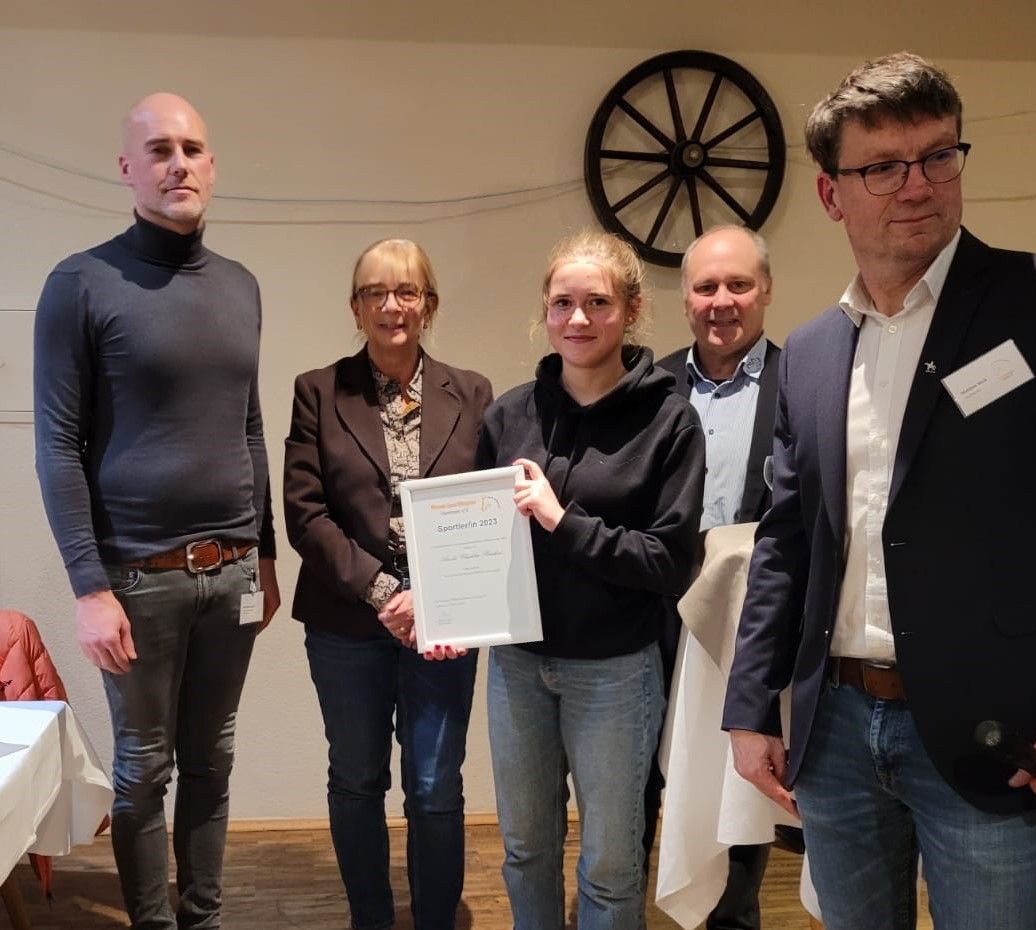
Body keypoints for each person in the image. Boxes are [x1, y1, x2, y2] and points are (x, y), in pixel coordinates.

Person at [723, 52, 1036, 930]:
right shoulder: (811, 352)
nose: (917, 184)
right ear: (830, 195)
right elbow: (785, 541)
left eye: (937, 155)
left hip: (994, 731)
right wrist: (749, 707)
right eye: (882, 167)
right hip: (834, 730)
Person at [33, 92, 281, 930]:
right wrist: (87, 587)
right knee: (145, 768)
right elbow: (57, 446)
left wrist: (266, 553)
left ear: (212, 165)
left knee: (213, 759)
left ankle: (202, 916)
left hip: (233, 572)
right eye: (160, 149)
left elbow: (249, 427)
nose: (180, 164)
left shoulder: (241, 286)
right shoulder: (80, 283)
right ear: (127, 168)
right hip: (137, 579)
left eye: (193, 149)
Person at [478, 230, 705, 930]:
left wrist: (562, 521)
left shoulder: (669, 420)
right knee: (525, 852)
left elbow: (669, 562)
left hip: (614, 672)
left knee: (608, 867)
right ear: (544, 312)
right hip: (517, 666)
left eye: (597, 303)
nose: (578, 319)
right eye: (562, 303)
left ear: (631, 310)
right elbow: (478, 541)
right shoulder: (509, 414)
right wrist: (450, 609)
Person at [283, 238, 491, 930]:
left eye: (406, 291)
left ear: (429, 304)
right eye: (375, 291)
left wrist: (434, 599)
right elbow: (305, 514)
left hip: (446, 622)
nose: (391, 305)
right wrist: (384, 594)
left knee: (434, 786)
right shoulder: (318, 391)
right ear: (355, 306)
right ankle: (369, 919)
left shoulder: (473, 392)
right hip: (347, 623)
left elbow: (483, 509)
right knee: (356, 779)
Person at [653, 224, 781, 930]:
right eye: (705, 287)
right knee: (642, 784)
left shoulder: (803, 381)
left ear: (766, 290)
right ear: (685, 300)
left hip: (746, 628)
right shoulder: (649, 384)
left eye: (738, 284)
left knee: (738, 787)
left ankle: (732, 919)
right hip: (652, 619)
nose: (721, 301)